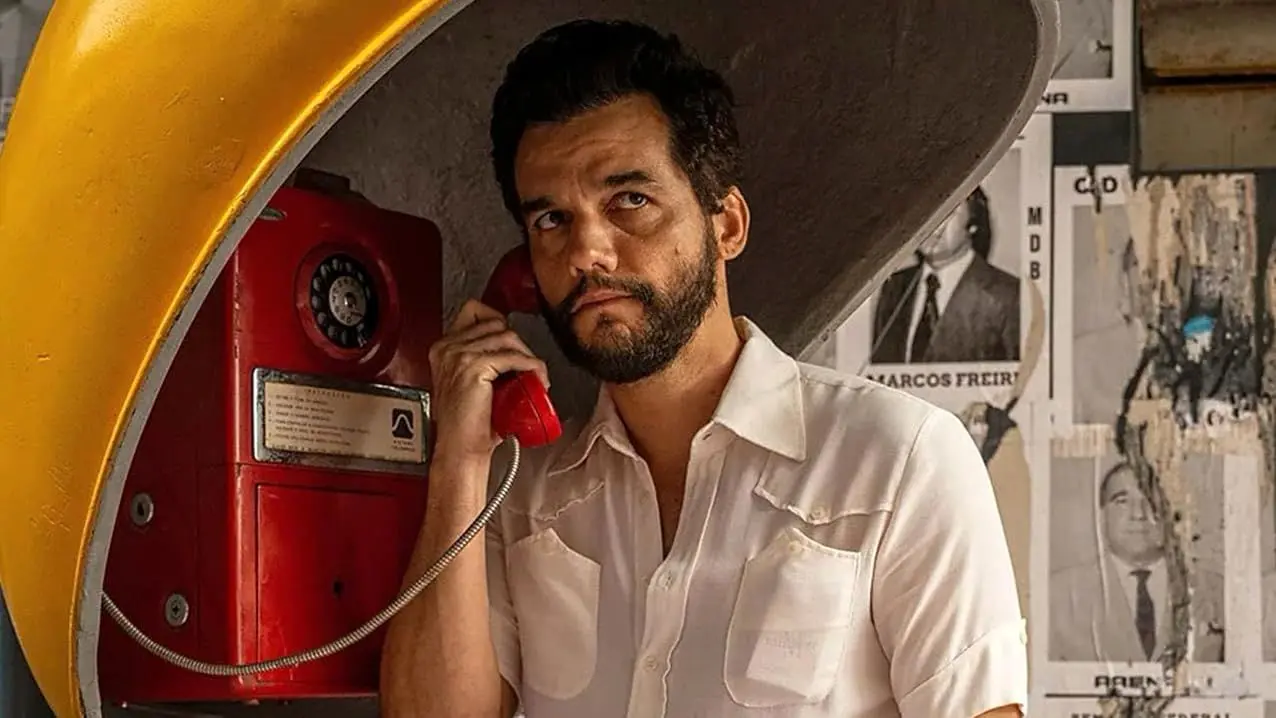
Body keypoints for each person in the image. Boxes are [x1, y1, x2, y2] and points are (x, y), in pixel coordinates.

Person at [381, 19, 1025, 718]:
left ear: (727, 225)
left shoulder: (898, 460)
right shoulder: (520, 495)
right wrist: (459, 459)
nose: (587, 251)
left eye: (630, 201)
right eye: (551, 221)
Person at [1049, 461, 1224, 663]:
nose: (1139, 514)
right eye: (1122, 501)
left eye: (1152, 500)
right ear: (1101, 516)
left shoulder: (1217, 591)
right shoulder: (1058, 595)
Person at [869, 187, 1021, 365]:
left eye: (948, 212)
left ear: (973, 224)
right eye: (923, 213)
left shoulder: (1009, 294)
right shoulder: (893, 286)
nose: (933, 225)